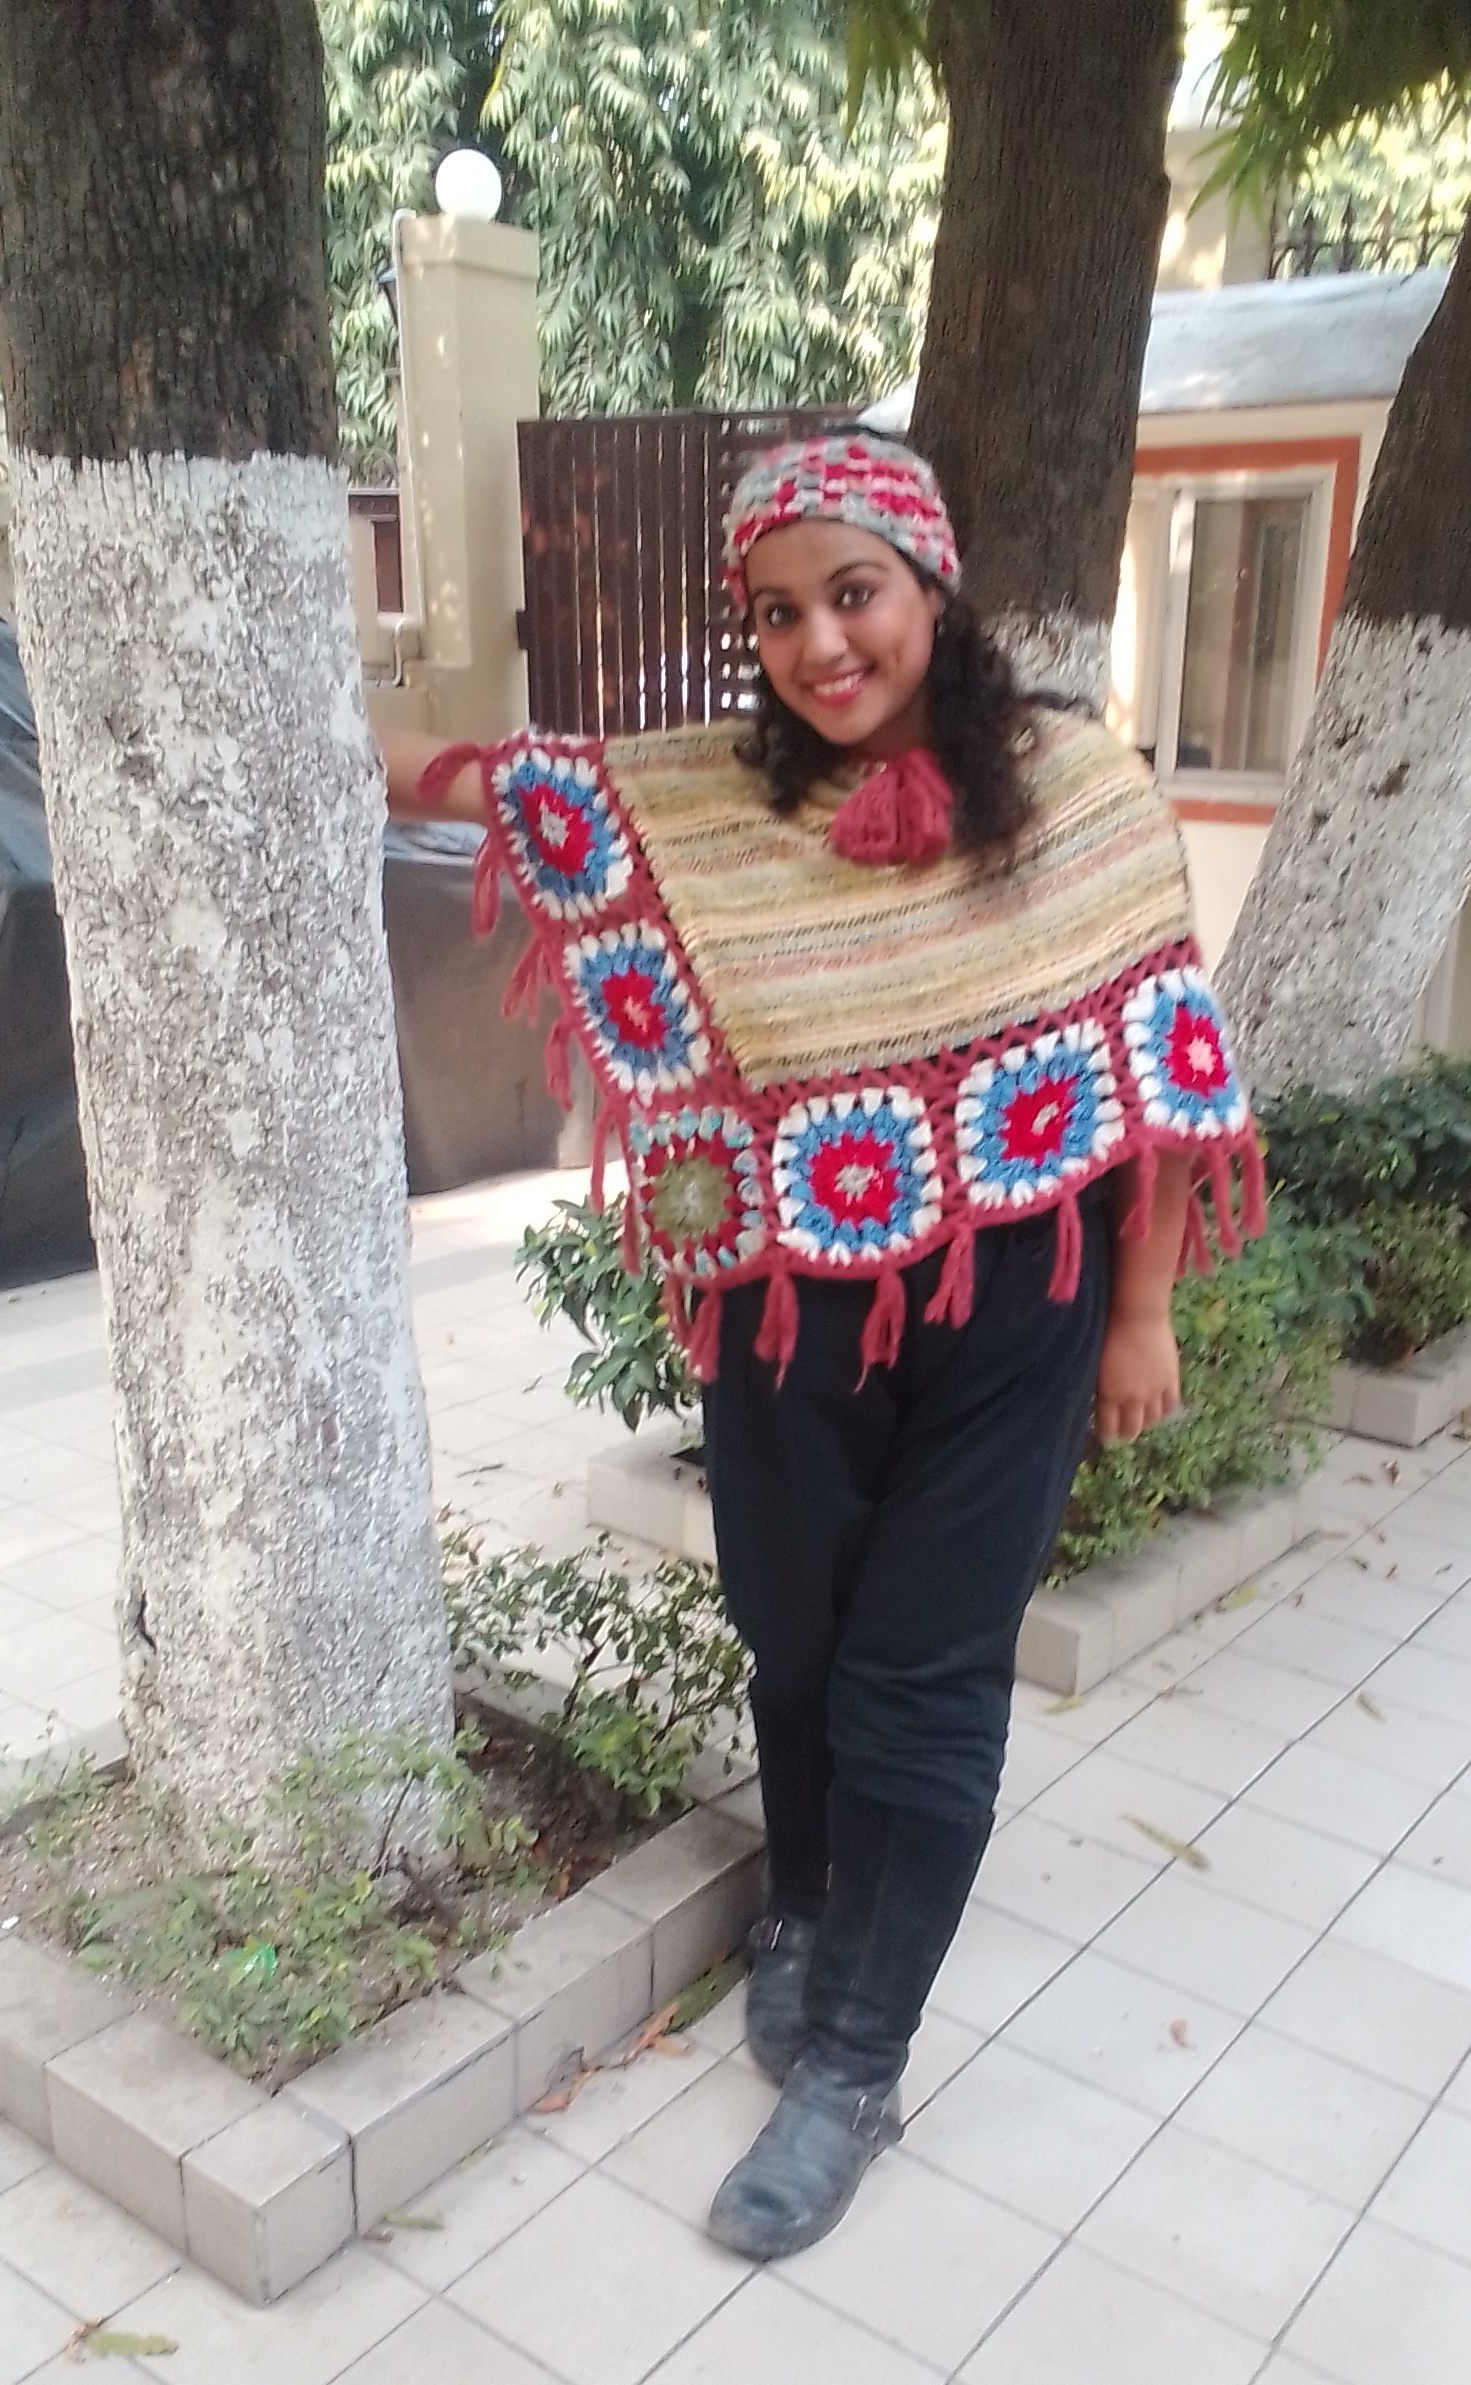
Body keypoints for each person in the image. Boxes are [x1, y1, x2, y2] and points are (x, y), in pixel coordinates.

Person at [375, 431, 1261, 2260]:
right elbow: (494, 785)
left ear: (932, 584)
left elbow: (1163, 1077)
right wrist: (264, 679)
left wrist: (1143, 1309)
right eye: (776, 614)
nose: (819, 644)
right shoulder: (718, 807)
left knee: (922, 1673)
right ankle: (803, 1899)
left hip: (1019, 1304)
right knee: (797, 1629)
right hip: (788, 1297)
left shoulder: (1082, 791)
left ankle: (857, 2063)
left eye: (853, 594)